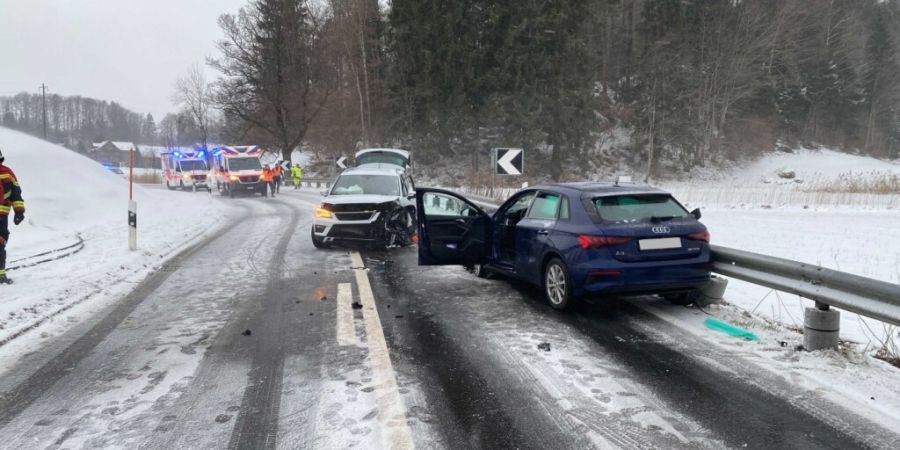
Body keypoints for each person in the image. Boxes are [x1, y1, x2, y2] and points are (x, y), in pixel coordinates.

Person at [0, 148, 25, 285]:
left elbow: (16, 194)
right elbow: (16, 194)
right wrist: (19, 211)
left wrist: (19, 211)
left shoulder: (8, 173)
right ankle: (1, 275)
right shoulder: (8, 173)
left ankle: (1, 275)